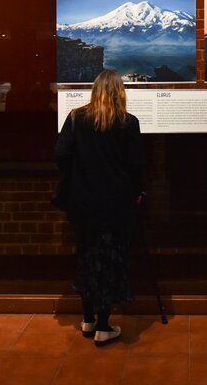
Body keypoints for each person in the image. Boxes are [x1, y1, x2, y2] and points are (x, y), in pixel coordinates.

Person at [55, 70, 144, 347]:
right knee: (111, 259)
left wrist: (79, 174)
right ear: (120, 92)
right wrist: (136, 191)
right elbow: (136, 163)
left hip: (83, 201)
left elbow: (60, 155)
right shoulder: (128, 122)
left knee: (87, 255)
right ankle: (105, 325)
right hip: (116, 202)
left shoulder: (75, 118)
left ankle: (87, 319)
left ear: (94, 91)